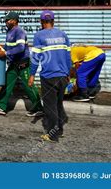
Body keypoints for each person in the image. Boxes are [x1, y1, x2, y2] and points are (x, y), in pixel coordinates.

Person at [0, 11, 43, 117]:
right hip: (13, 64)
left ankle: (39, 108)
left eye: (8, 20)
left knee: (29, 86)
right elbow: (8, 47)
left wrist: (5, 53)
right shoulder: (9, 32)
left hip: (23, 64)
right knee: (7, 84)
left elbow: (21, 48)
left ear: (14, 21)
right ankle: (1, 106)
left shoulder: (19, 31)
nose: (6, 22)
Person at [29, 10, 71, 142]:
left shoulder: (39, 36)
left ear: (41, 22)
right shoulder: (63, 35)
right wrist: (68, 73)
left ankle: (53, 135)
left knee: (50, 106)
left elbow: (35, 57)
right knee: (58, 104)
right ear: (53, 21)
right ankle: (59, 129)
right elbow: (68, 56)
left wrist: (31, 75)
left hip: (49, 76)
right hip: (63, 76)